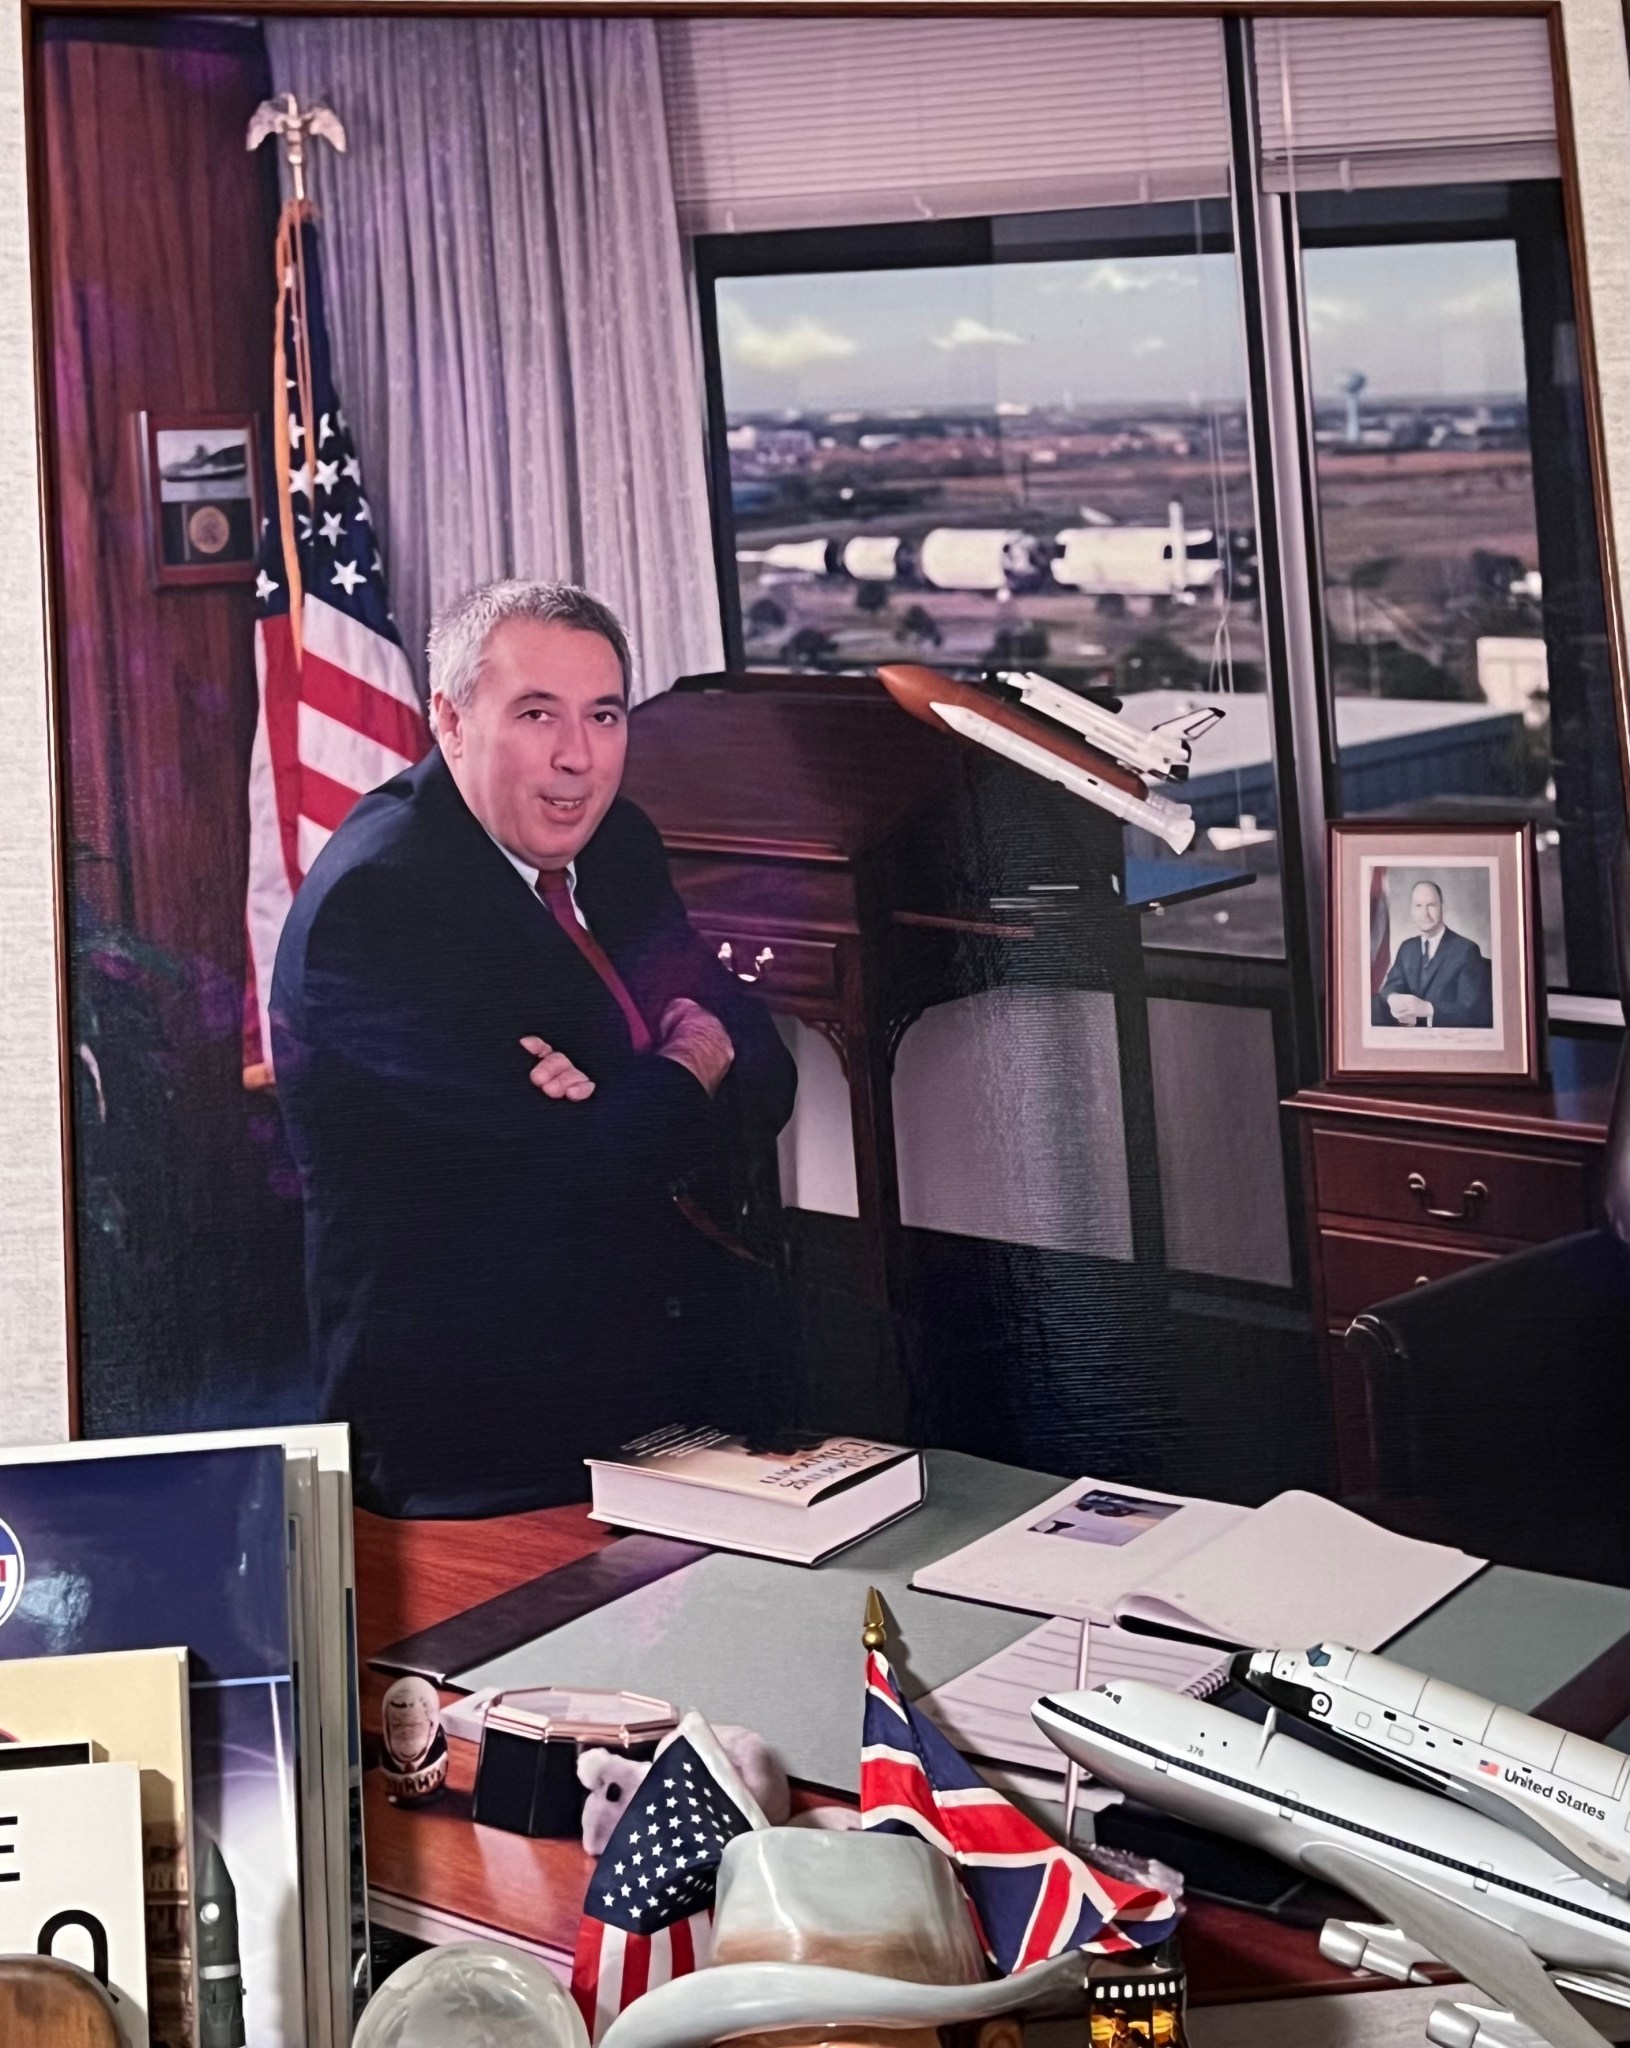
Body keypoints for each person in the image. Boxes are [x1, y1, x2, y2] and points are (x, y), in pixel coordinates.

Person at [270, 580, 797, 1516]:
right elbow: (563, 1179)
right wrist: (682, 1060)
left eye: (603, 714)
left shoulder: (616, 844)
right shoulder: (385, 900)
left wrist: (631, 1091)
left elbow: (763, 1067)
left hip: (654, 1367)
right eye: (536, 714)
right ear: (451, 720)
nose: (578, 759)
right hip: (479, 1427)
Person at [1372, 878, 1493, 1030]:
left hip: (1448, 1042)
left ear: (1442, 907)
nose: (1425, 913)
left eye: (1431, 905)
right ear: (1412, 910)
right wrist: (1393, 999)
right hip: (1408, 1038)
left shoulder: (1466, 950)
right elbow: (1391, 987)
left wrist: (1427, 1009)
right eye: (1418, 906)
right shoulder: (1407, 948)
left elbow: (1475, 1011)